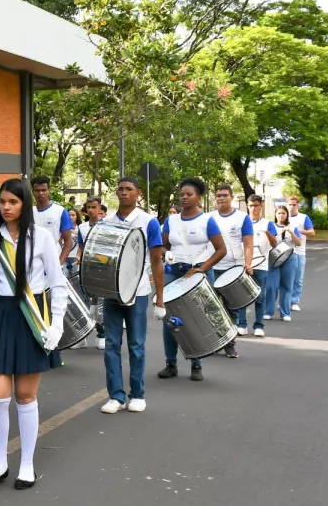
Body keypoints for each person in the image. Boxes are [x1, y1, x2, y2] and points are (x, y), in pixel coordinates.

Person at [0, 178, 66, 490]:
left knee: (25, 397)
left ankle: (26, 463)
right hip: (0, 315)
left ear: (24, 205)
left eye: (13, 202)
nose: (6, 207)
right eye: (2, 202)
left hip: (32, 316)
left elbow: (58, 284)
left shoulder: (41, 238)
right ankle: (0, 461)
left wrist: (57, 325)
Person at [97, 177, 165, 414]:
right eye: (120, 189)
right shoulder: (107, 223)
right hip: (111, 294)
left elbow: (157, 261)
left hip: (138, 293)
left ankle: (137, 394)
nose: (124, 193)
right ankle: (116, 396)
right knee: (111, 346)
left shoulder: (149, 222)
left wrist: (160, 299)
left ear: (138, 194)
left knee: (136, 346)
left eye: (129, 189)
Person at [157, 178, 227, 382]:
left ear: (198, 198)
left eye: (189, 194)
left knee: (196, 319)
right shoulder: (171, 220)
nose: (184, 198)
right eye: (182, 194)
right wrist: (165, 254)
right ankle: (171, 364)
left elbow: (221, 249)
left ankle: (197, 363)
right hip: (174, 272)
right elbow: (162, 245)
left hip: (199, 274)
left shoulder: (207, 221)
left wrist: (201, 269)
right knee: (169, 319)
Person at [210, 184, 253, 358]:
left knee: (231, 309)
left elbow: (248, 244)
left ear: (232, 197)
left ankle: (230, 344)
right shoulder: (209, 217)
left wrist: (247, 264)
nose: (221, 198)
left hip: (233, 269)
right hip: (212, 268)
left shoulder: (243, 217)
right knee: (212, 308)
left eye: (224, 195)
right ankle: (213, 342)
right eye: (218, 195)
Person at [241, 195, 277, 337]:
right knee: (242, 297)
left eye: (256, 205)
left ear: (260, 206)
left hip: (261, 265)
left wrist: (267, 232)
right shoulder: (243, 222)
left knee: (260, 296)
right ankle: (241, 324)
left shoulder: (267, 223)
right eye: (251, 205)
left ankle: (259, 325)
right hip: (244, 264)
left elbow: (274, 243)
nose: (253, 208)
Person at [76, 196, 106, 350]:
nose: (91, 210)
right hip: (86, 269)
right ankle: (81, 337)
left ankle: (101, 334)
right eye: (88, 207)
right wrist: (79, 255)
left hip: (101, 269)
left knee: (100, 305)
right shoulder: (82, 227)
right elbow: (81, 246)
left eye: (94, 207)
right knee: (84, 303)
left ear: (100, 208)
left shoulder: (106, 226)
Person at [263, 206, 302, 322]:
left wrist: (290, 231)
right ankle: (268, 311)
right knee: (271, 286)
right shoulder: (270, 226)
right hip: (274, 257)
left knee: (286, 285)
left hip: (290, 257)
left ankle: (285, 313)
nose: (281, 216)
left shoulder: (293, 227)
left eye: (283, 213)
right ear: (275, 214)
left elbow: (298, 243)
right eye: (279, 213)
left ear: (287, 215)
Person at [30, 176, 73, 266]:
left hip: (53, 260)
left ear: (49, 190)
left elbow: (68, 241)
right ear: (33, 192)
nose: (41, 193)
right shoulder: (28, 212)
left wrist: (59, 264)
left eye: (44, 190)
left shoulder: (60, 211)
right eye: (37, 190)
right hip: (33, 262)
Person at [286, 196, 315, 311]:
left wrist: (298, 230)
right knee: (286, 279)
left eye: (294, 205)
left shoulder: (303, 218)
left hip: (299, 252)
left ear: (298, 205)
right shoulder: (282, 216)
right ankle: (285, 300)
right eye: (290, 204)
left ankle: (294, 301)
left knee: (297, 279)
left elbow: (312, 233)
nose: (292, 207)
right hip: (285, 253)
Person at [64, 208, 81, 276]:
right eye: (69, 215)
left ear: (77, 216)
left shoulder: (81, 228)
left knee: (74, 276)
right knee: (65, 275)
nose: (71, 217)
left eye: (73, 215)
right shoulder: (62, 228)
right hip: (63, 255)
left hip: (75, 256)